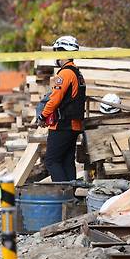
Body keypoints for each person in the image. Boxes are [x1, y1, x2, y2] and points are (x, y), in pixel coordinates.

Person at [37, 35, 86, 182]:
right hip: (74, 125)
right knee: (66, 162)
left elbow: (54, 99)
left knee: (51, 161)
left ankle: (63, 198)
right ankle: (71, 197)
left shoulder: (65, 73)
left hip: (62, 125)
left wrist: (42, 116)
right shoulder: (78, 73)